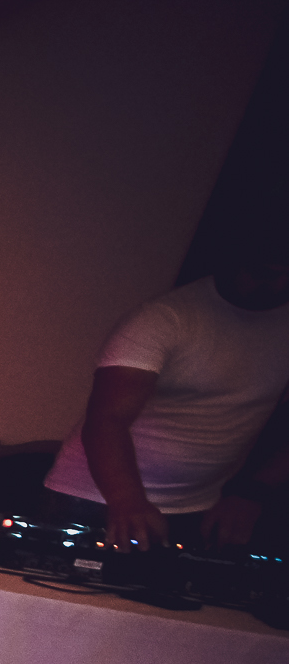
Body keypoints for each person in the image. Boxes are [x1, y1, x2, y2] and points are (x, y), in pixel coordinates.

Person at [42, 226, 289, 553]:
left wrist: (253, 492)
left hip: (198, 506)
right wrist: (126, 499)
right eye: (264, 274)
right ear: (234, 263)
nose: (278, 286)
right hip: (94, 497)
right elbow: (107, 419)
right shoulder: (164, 319)